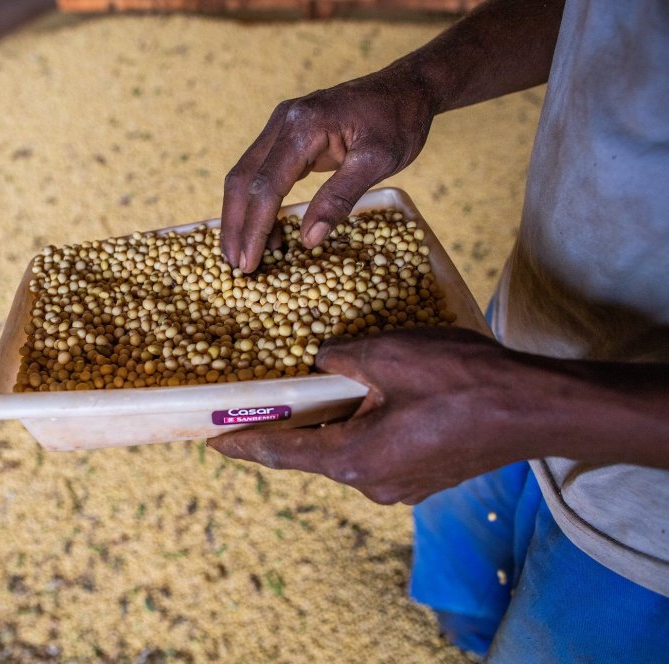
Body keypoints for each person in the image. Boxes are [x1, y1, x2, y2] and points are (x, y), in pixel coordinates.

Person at [207, 0, 669, 660]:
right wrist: (420, 83)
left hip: (647, 515)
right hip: (503, 343)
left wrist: (525, 402)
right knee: (465, 591)